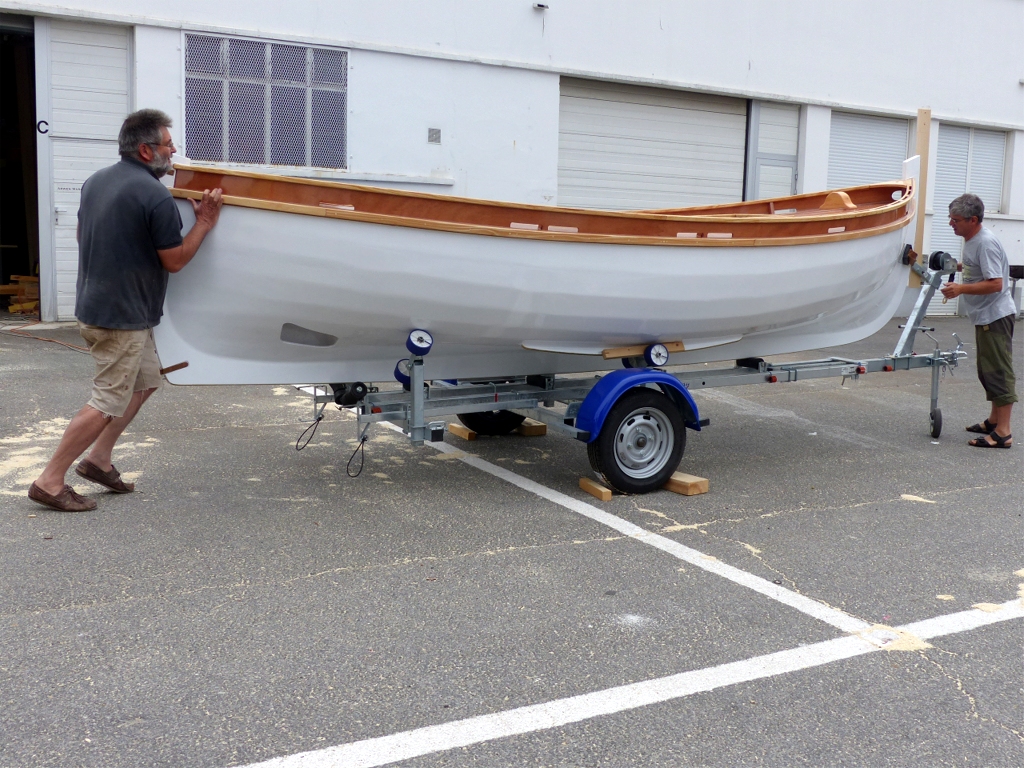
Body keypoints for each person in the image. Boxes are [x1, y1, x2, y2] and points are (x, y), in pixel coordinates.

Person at [28, 109, 223, 511]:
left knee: (147, 380)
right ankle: (49, 481)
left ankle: (98, 460)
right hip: (120, 317)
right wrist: (204, 221)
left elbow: (85, 235)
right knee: (107, 401)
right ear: (146, 149)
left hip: (102, 306)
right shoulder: (155, 196)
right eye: (168, 144)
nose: (174, 150)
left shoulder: (96, 181)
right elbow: (176, 261)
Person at [940, 193, 1017, 448]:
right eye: (950, 219)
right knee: (987, 370)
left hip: (995, 316)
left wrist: (960, 289)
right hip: (985, 315)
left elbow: (996, 283)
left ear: (973, 220)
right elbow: (982, 269)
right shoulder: (971, 240)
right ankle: (994, 420)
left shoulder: (985, 242)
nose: (952, 224)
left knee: (998, 371)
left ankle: (1003, 432)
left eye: (956, 220)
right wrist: (961, 267)